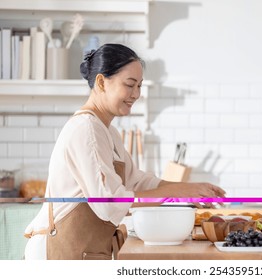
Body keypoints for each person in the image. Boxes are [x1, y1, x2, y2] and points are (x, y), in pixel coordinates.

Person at [24, 43, 226, 260]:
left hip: (82, 251)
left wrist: (189, 188)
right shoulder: (86, 129)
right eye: (130, 85)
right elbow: (110, 204)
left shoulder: (107, 131)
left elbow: (136, 181)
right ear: (101, 82)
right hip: (57, 253)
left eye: (139, 86)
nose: (136, 94)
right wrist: (176, 193)